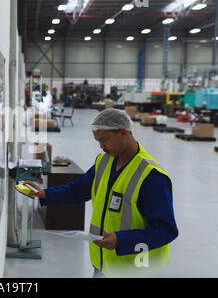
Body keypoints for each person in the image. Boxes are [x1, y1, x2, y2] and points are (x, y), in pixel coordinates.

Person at [24, 108, 178, 277]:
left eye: (105, 140)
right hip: (104, 265)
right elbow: (79, 190)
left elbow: (165, 230)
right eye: (98, 141)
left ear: (124, 133)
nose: (101, 146)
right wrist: (45, 194)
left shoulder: (151, 176)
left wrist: (121, 241)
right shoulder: (104, 161)